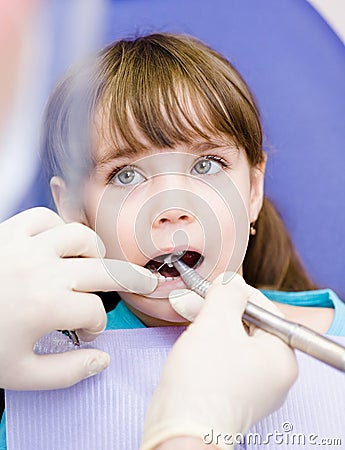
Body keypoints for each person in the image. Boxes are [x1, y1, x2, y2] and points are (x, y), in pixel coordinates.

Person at [0, 31, 341, 447]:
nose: (171, 208)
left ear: (252, 191)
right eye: (126, 175)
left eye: (206, 165)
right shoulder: (25, 362)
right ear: (76, 212)